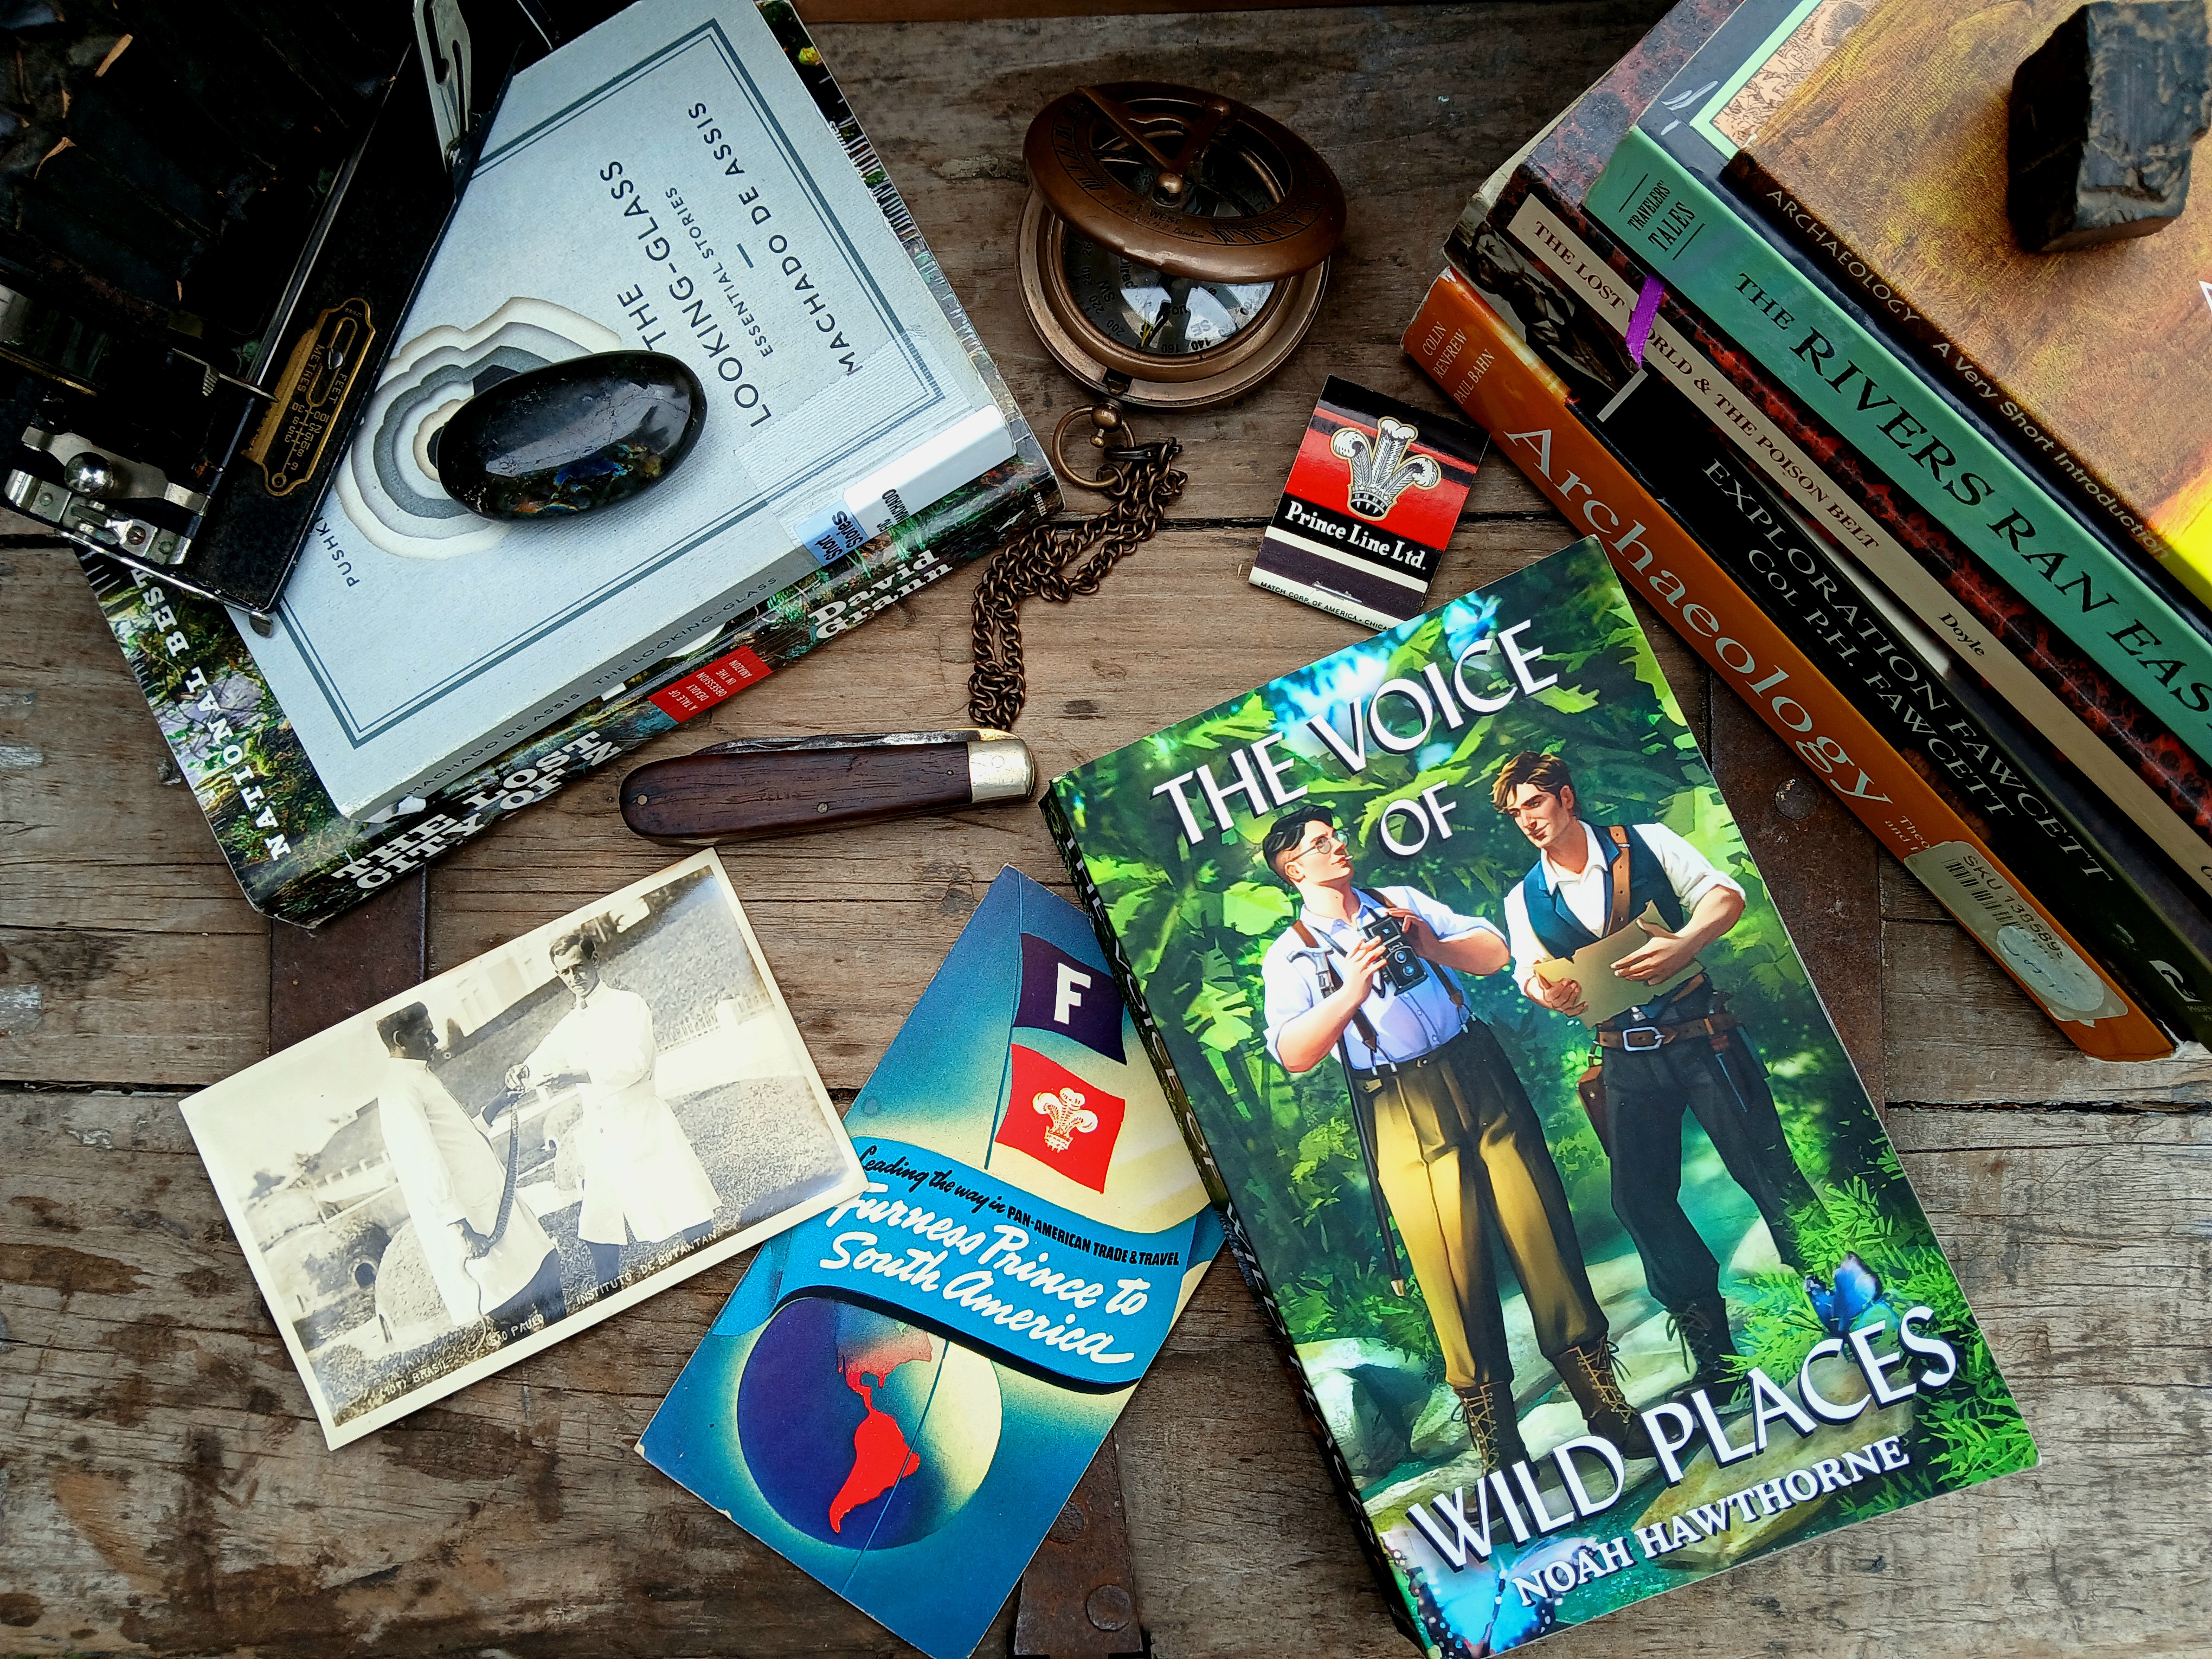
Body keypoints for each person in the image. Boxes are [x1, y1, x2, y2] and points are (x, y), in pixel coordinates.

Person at [1257, 803, 1654, 1474]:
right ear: (1293, 868)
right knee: (1451, 1267)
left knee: (1543, 1232)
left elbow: (1495, 953)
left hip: (1478, 1069)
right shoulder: (1291, 954)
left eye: (1337, 837)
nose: (1340, 848)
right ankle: (1501, 1450)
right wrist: (1350, 989)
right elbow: (1292, 1052)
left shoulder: (1402, 901)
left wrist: (1426, 943)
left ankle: (1605, 1405)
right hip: (1399, 1103)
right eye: (1323, 845)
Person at [1494, 751, 1826, 1395]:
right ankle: (1716, 1354)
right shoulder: (1523, 898)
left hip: (1704, 1035)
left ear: (1565, 796)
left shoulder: (1647, 840)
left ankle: (1841, 1301)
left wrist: (1685, 942)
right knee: (1638, 1198)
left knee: (1765, 1166)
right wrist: (1548, 991)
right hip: (1624, 1054)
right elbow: (1529, 972)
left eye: (1534, 803)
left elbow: (1725, 896)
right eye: (1515, 814)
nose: (1528, 821)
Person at [505, 928, 719, 1288]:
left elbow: (636, 1063)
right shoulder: (571, 1023)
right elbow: (543, 1058)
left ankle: (713, 1271)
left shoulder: (628, 1005)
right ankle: (610, 1292)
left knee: (686, 1209)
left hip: (643, 1126)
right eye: (564, 973)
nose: (573, 978)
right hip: (604, 1139)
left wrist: (580, 1075)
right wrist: (522, 1072)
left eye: (578, 967)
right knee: (598, 1226)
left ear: (594, 960)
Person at [375, 1004, 565, 1341]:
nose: (435, 1040)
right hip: (474, 1220)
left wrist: (497, 1104)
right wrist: (462, 1230)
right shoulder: (398, 1090)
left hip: (494, 1204)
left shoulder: (420, 1077)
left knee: (547, 1274)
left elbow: (457, 1137)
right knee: (513, 1313)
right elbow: (422, 1162)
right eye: (425, 1033)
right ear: (399, 1039)